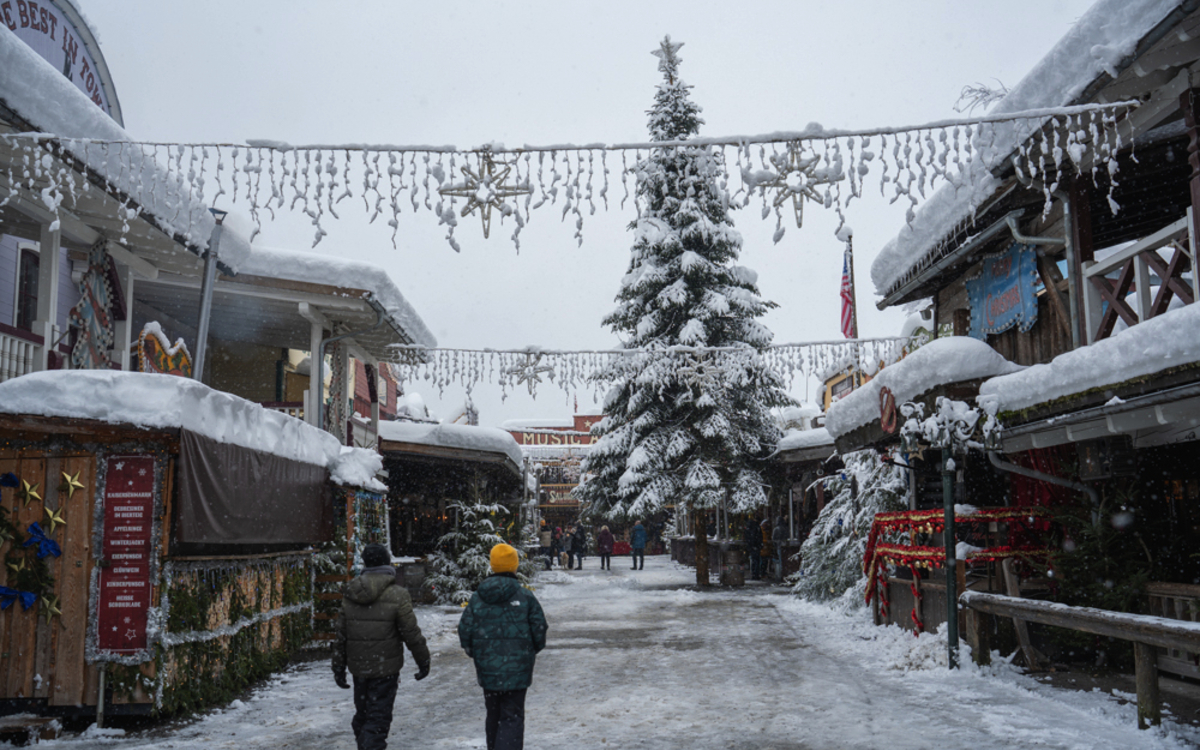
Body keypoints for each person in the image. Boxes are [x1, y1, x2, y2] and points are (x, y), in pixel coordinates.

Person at [332, 543, 431, 750]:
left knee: (364, 713)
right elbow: (410, 633)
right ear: (387, 563)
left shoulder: (351, 592)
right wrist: (423, 660)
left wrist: (338, 667)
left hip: (359, 668)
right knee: (378, 718)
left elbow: (341, 634)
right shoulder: (398, 594)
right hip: (385, 668)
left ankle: (365, 740)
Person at [459, 544, 548, 750]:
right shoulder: (525, 596)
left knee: (494, 714)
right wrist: (529, 651)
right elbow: (539, 628)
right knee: (512, 716)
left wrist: (477, 653)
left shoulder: (477, 598)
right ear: (514, 566)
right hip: (518, 669)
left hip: (488, 668)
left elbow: (465, 630)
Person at [744, 514, 762, 580]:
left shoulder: (749, 527)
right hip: (756, 546)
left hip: (752, 546)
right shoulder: (756, 527)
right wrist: (758, 544)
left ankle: (753, 573)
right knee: (756, 560)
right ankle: (756, 574)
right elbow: (758, 536)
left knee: (753, 560)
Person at [772, 517, 788, 582]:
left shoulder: (776, 529)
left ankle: (780, 575)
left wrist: (775, 544)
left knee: (780, 561)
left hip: (778, 546)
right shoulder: (785, 528)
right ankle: (783, 574)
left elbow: (773, 538)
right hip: (784, 546)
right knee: (783, 560)